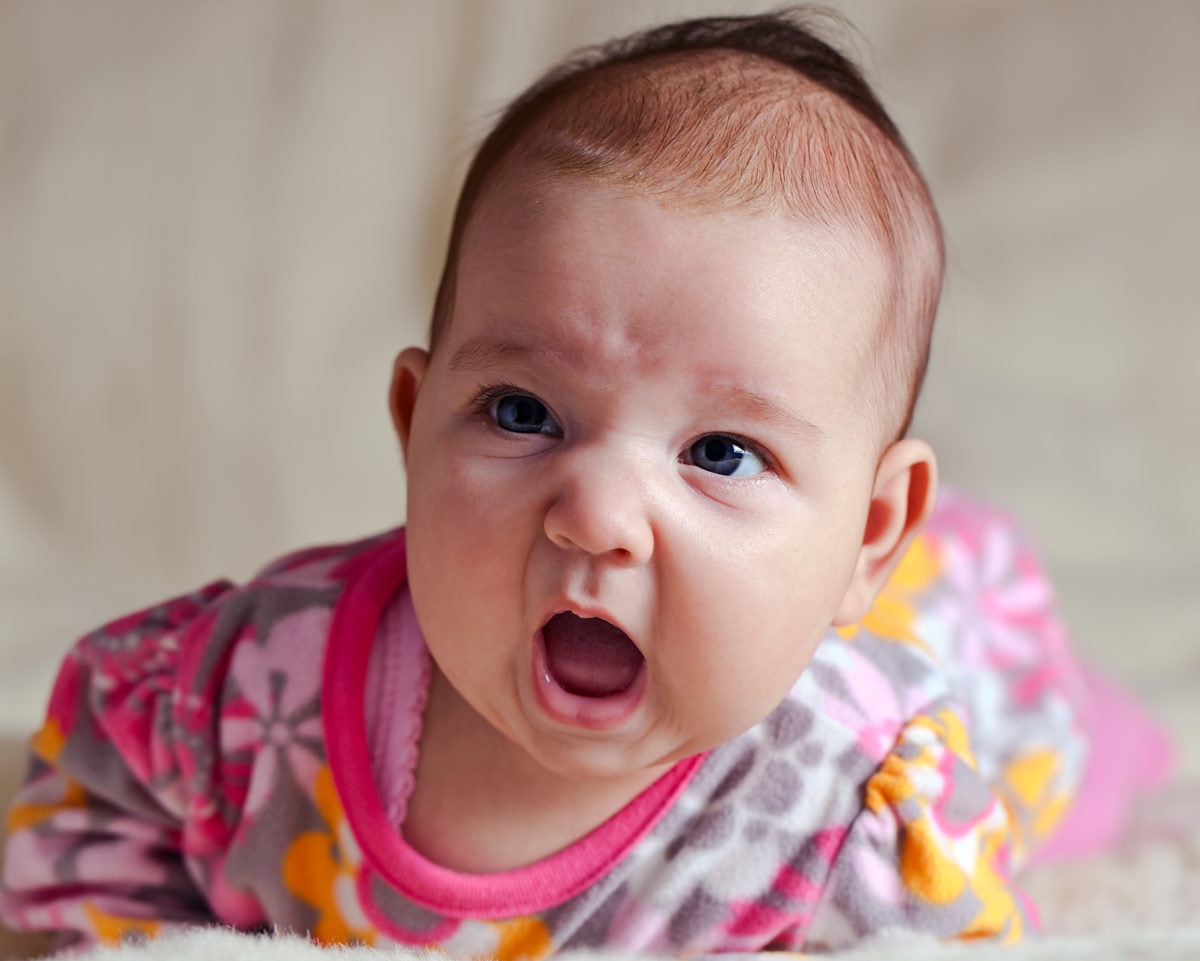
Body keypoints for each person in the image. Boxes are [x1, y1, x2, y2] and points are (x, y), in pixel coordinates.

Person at [0, 8, 1170, 956]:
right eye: (522, 414)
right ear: (413, 426)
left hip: (952, 625)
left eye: (721, 453)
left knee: (1045, 749)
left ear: (868, 530)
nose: (598, 514)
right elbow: (84, 828)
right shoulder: (247, 695)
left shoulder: (848, 794)